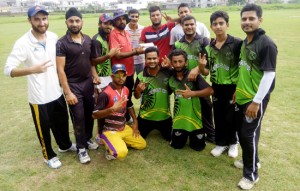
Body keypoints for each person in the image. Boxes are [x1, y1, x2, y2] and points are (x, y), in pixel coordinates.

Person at [4, 5, 76, 169]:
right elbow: (8, 70)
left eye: (44, 18)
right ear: (29, 20)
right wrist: (32, 69)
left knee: (62, 123)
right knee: (43, 128)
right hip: (39, 97)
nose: (41, 22)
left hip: (56, 92)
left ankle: (64, 145)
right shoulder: (23, 43)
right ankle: (48, 155)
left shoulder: (53, 37)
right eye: (37, 19)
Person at [234, 4, 277, 190]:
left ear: (260, 20)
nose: (247, 22)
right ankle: (252, 161)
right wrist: (238, 89)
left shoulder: (266, 43)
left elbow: (269, 75)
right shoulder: (246, 41)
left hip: (255, 100)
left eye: (251, 18)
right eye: (244, 19)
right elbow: (245, 69)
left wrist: (256, 101)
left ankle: (251, 175)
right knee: (247, 133)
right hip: (244, 95)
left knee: (247, 133)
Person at [56, 7, 99, 164]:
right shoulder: (61, 43)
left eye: (77, 20)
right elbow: (60, 69)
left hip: (88, 84)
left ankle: (87, 139)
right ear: (66, 22)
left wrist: (94, 77)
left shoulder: (88, 39)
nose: (74, 24)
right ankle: (81, 148)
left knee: (90, 114)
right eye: (71, 21)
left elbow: (90, 62)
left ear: (82, 22)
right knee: (78, 117)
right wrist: (67, 92)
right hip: (73, 86)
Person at [203, 11, 242, 158]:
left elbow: (243, 67)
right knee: (218, 115)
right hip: (216, 86)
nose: (218, 26)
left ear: (227, 25)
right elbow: (205, 71)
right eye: (215, 24)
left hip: (232, 86)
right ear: (211, 26)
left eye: (221, 23)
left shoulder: (237, 44)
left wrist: (239, 88)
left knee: (231, 116)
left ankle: (233, 143)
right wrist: (201, 67)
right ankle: (221, 143)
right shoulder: (209, 46)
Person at [174, 15, 215, 143]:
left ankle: (211, 133)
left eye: (192, 24)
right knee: (186, 104)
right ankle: (185, 129)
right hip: (183, 78)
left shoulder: (203, 41)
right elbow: (175, 60)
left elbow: (207, 61)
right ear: (182, 26)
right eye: (186, 25)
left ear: (196, 25)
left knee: (206, 104)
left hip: (199, 77)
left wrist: (197, 69)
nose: (189, 27)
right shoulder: (178, 43)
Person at [92, 64, 146, 160]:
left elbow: (129, 105)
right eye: (117, 75)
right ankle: (107, 144)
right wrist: (111, 109)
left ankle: (118, 141)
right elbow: (94, 114)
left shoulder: (126, 89)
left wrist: (135, 121)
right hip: (109, 130)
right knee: (121, 153)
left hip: (123, 127)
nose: (121, 78)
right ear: (112, 76)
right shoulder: (105, 93)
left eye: (123, 75)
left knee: (142, 144)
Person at [168, 49, 214, 151]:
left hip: (196, 121)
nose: (178, 64)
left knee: (198, 148)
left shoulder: (193, 75)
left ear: (186, 62)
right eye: (175, 62)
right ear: (171, 63)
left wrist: (193, 93)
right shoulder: (169, 76)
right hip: (179, 121)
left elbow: (210, 90)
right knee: (176, 146)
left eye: (180, 61)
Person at [91, 13, 121, 145]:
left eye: (110, 23)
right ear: (99, 24)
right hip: (101, 78)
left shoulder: (108, 37)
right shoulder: (97, 40)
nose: (108, 26)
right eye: (105, 23)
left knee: (109, 104)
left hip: (108, 76)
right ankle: (99, 134)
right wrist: (109, 55)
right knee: (101, 107)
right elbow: (93, 61)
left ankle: (108, 130)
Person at [109, 8, 144, 122]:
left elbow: (127, 49)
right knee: (122, 97)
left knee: (127, 95)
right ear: (114, 22)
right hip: (120, 73)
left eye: (124, 19)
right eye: (118, 19)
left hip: (129, 71)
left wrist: (135, 49)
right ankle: (122, 118)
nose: (122, 21)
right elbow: (117, 55)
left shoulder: (126, 33)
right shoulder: (113, 34)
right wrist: (135, 52)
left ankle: (126, 117)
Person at [134, 47, 173, 141]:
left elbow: (179, 75)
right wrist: (138, 90)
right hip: (145, 116)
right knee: (138, 139)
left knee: (170, 138)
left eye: (154, 58)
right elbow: (136, 96)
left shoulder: (167, 72)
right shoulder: (140, 75)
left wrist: (170, 66)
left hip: (164, 116)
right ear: (145, 59)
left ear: (158, 58)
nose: (152, 61)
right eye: (149, 58)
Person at [125, 9, 145, 75]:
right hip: (129, 59)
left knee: (141, 79)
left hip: (141, 59)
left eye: (136, 17)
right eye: (132, 16)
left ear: (139, 17)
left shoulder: (143, 29)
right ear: (128, 17)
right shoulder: (124, 29)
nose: (134, 18)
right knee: (129, 80)